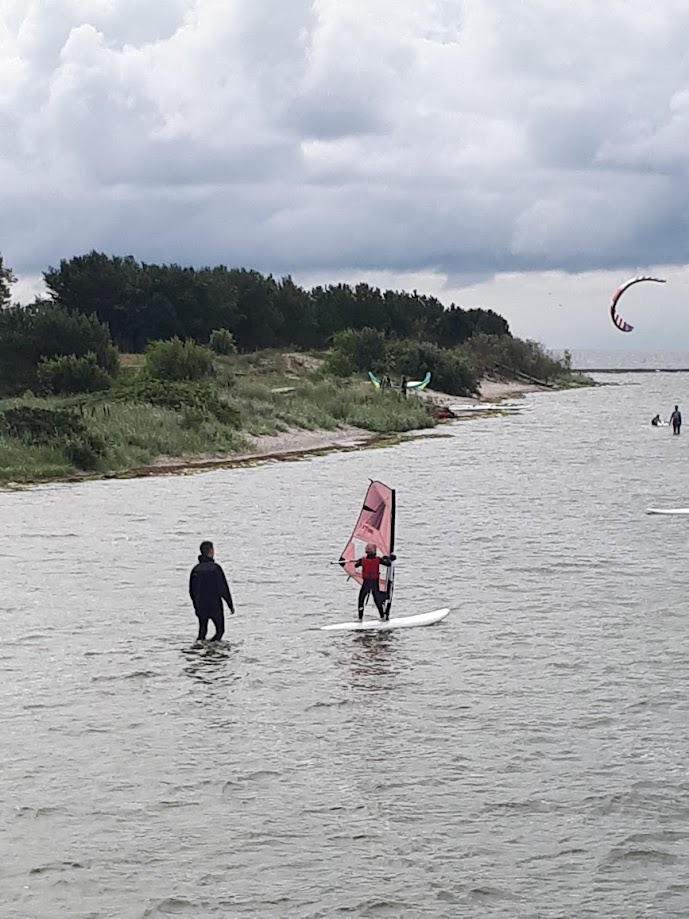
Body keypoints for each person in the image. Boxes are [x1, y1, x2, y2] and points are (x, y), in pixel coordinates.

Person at [189, 541, 235, 641]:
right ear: (211, 551)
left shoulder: (196, 569)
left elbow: (191, 591)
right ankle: (213, 649)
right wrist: (230, 605)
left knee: (202, 632)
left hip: (201, 605)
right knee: (220, 631)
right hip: (215, 605)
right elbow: (223, 588)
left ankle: (200, 651)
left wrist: (196, 605)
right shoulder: (216, 568)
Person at [354, 542, 396, 621]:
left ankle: (360, 618)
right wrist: (388, 558)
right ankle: (382, 616)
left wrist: (358, 561)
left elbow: (356, 565)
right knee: (377, 600)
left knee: (361, 599)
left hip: (366, 583)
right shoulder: (378, 560)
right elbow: (388, 564)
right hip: (374, 583)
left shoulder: (363, 560)